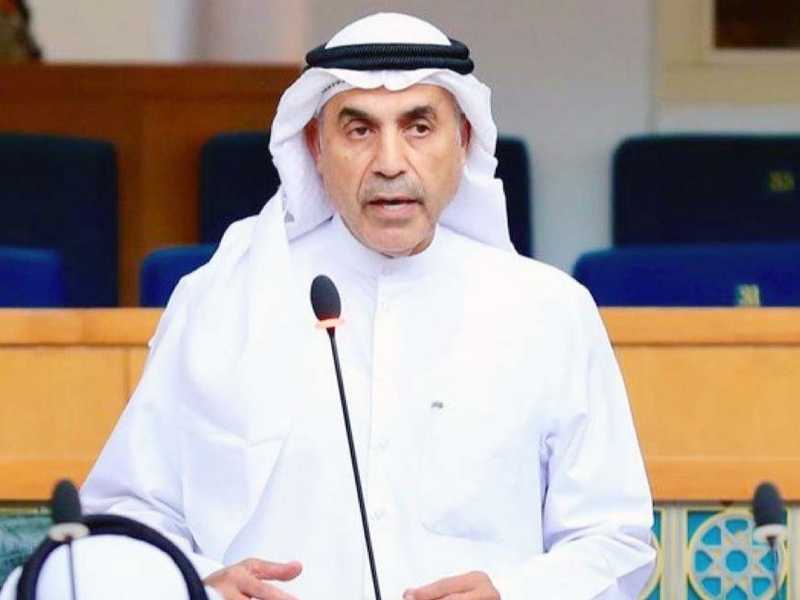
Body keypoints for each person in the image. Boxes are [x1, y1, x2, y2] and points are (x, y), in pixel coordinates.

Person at [1, 12, 655, 600]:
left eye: (419, 127)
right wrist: (200, 582)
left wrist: (511, 593)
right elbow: (126, 519)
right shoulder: (220, 300)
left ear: (463, 141)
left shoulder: (548, 312)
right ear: (316, 147)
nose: (390, 162)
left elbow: (615, 540)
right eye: (358, 129)